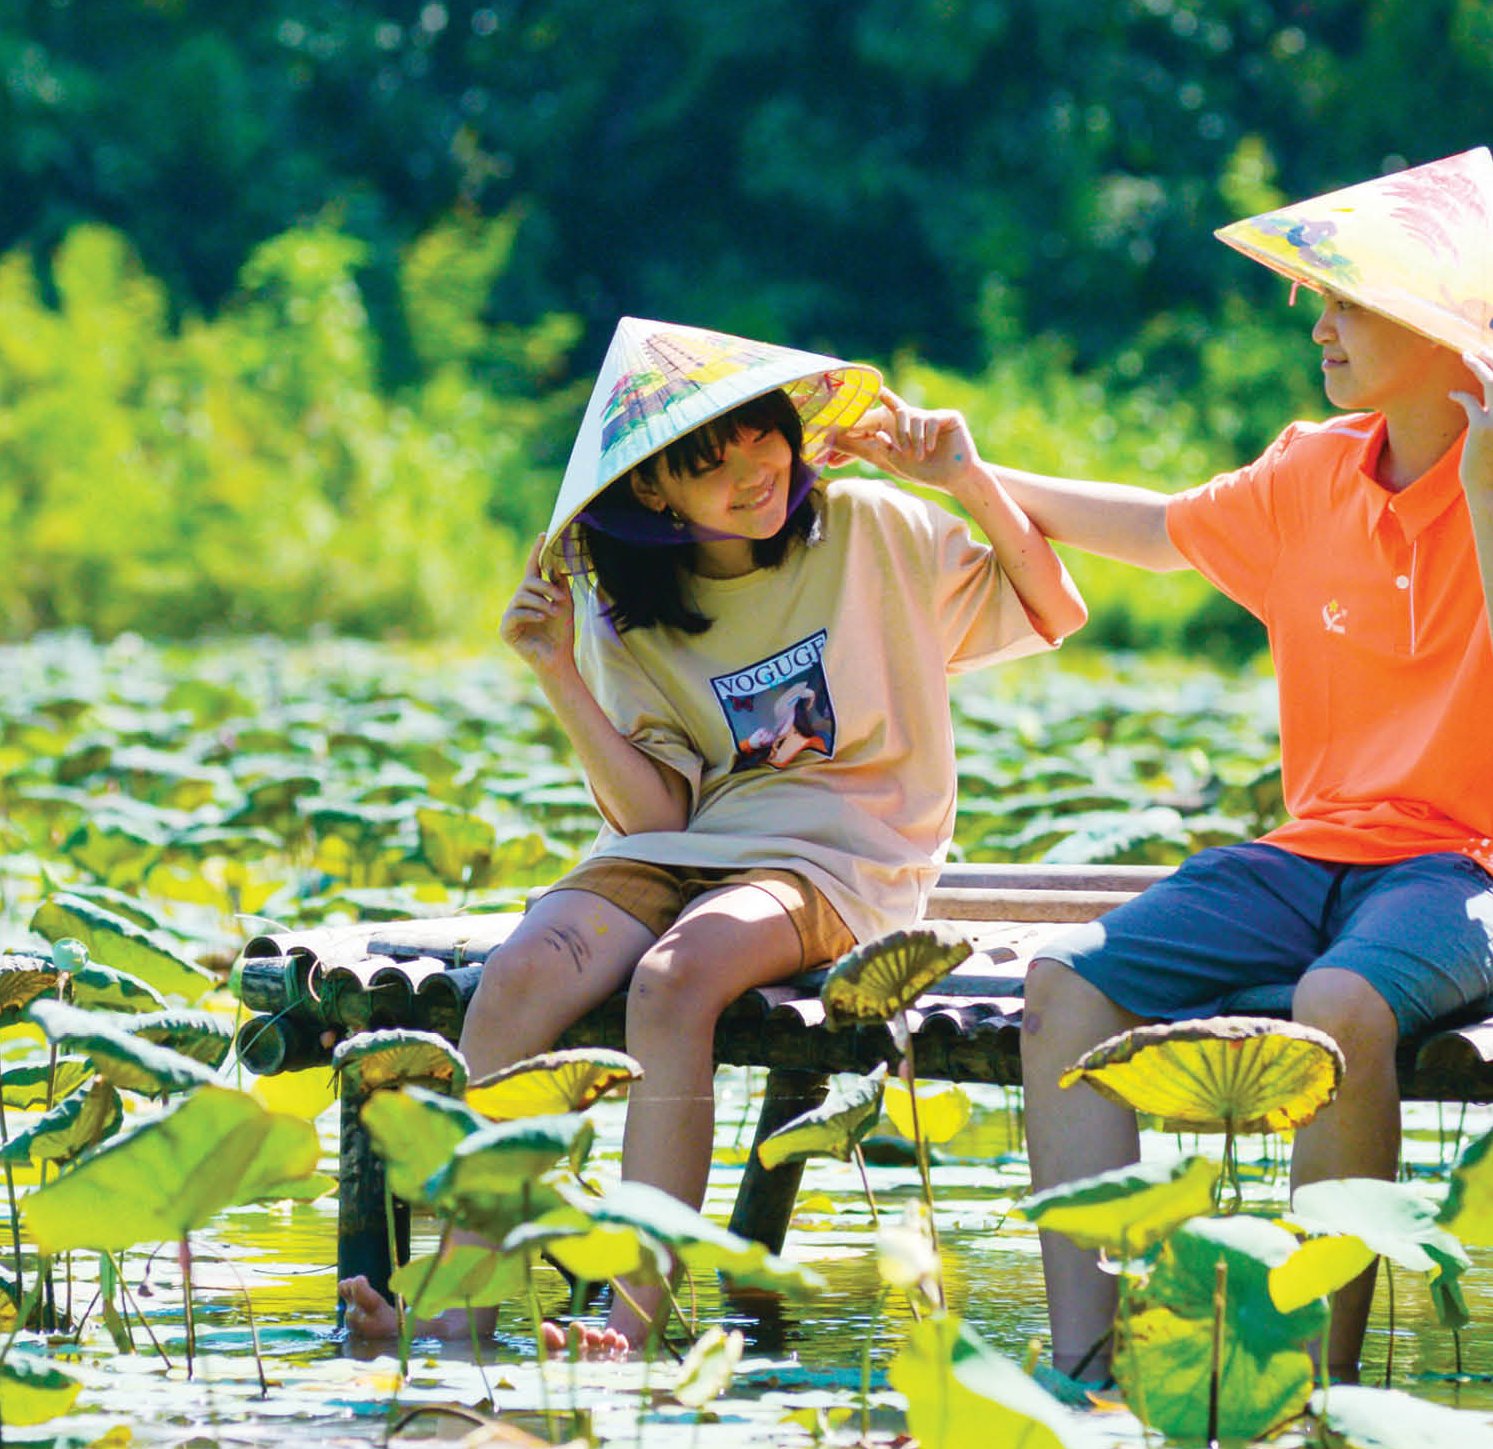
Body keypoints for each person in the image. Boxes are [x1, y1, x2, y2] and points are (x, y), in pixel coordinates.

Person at [988, 148, 1493, 1385]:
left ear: (1449, 333)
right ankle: (1089, 1360)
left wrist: (1490, 492)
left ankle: (1313, 1382)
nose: (1320, 330)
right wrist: (964, 475)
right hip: (1318, 852)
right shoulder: (1310, 467)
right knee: (1064, 985)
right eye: (1323, 304)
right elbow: (1155, 527)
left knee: (1339, 1005)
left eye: (1348, 305)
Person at [341, 318, 1085, 1356]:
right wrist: (557, 670)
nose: (753, 474)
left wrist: (962, 479)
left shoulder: (869, 528)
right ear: (654, 490)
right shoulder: (623, 610)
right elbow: (656, 823)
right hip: (693, 846)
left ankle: (631, 1322)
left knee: (674, 976)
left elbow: (1055, 606)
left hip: (846, 851)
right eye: (711, 461)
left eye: (763, 442)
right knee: (515, 976)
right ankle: (457, 1309)